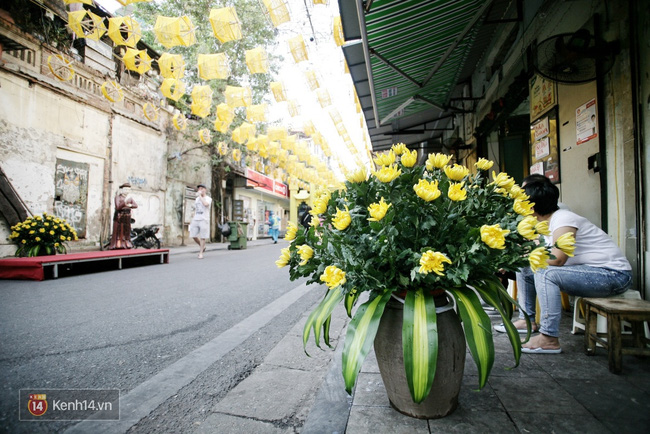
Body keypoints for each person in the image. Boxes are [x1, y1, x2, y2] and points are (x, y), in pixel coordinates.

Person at [496, 180, 632, 354]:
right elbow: (534, 253)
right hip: (592, 273)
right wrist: (511, 261)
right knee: (525, 268)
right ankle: (526, 320)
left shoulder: (563, 219)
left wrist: (522, 256)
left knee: (545, 272)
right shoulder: (544, 224)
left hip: (613, 275)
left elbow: (557, 259)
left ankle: (549, 338)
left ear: (530, 206)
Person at [108, 183, 138, 249]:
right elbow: (118, 207)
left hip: (127, 217)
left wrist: (131, 205)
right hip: (119, 217)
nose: (127, 191)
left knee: (126, 231)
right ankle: (117, 244)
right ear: (122, 190)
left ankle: (126, 243)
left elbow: (136, 205)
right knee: (119, 231)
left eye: (129, 190)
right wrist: (124, 202)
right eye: (126, 189)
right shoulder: (118, 197)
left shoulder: (130, 198)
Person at [189, 184, 212, 259]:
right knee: (193, 235)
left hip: (204, 219)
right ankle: (202, 246)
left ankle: (201, 253)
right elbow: (195, 209)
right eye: (199, 189)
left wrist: (200, 196)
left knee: (203, 237)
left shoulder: (208, 198)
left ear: (205, 190)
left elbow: (205, 204)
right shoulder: (196, 199)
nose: (200, 190)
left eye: (202, 188)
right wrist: (192, 217)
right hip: (196, 218)